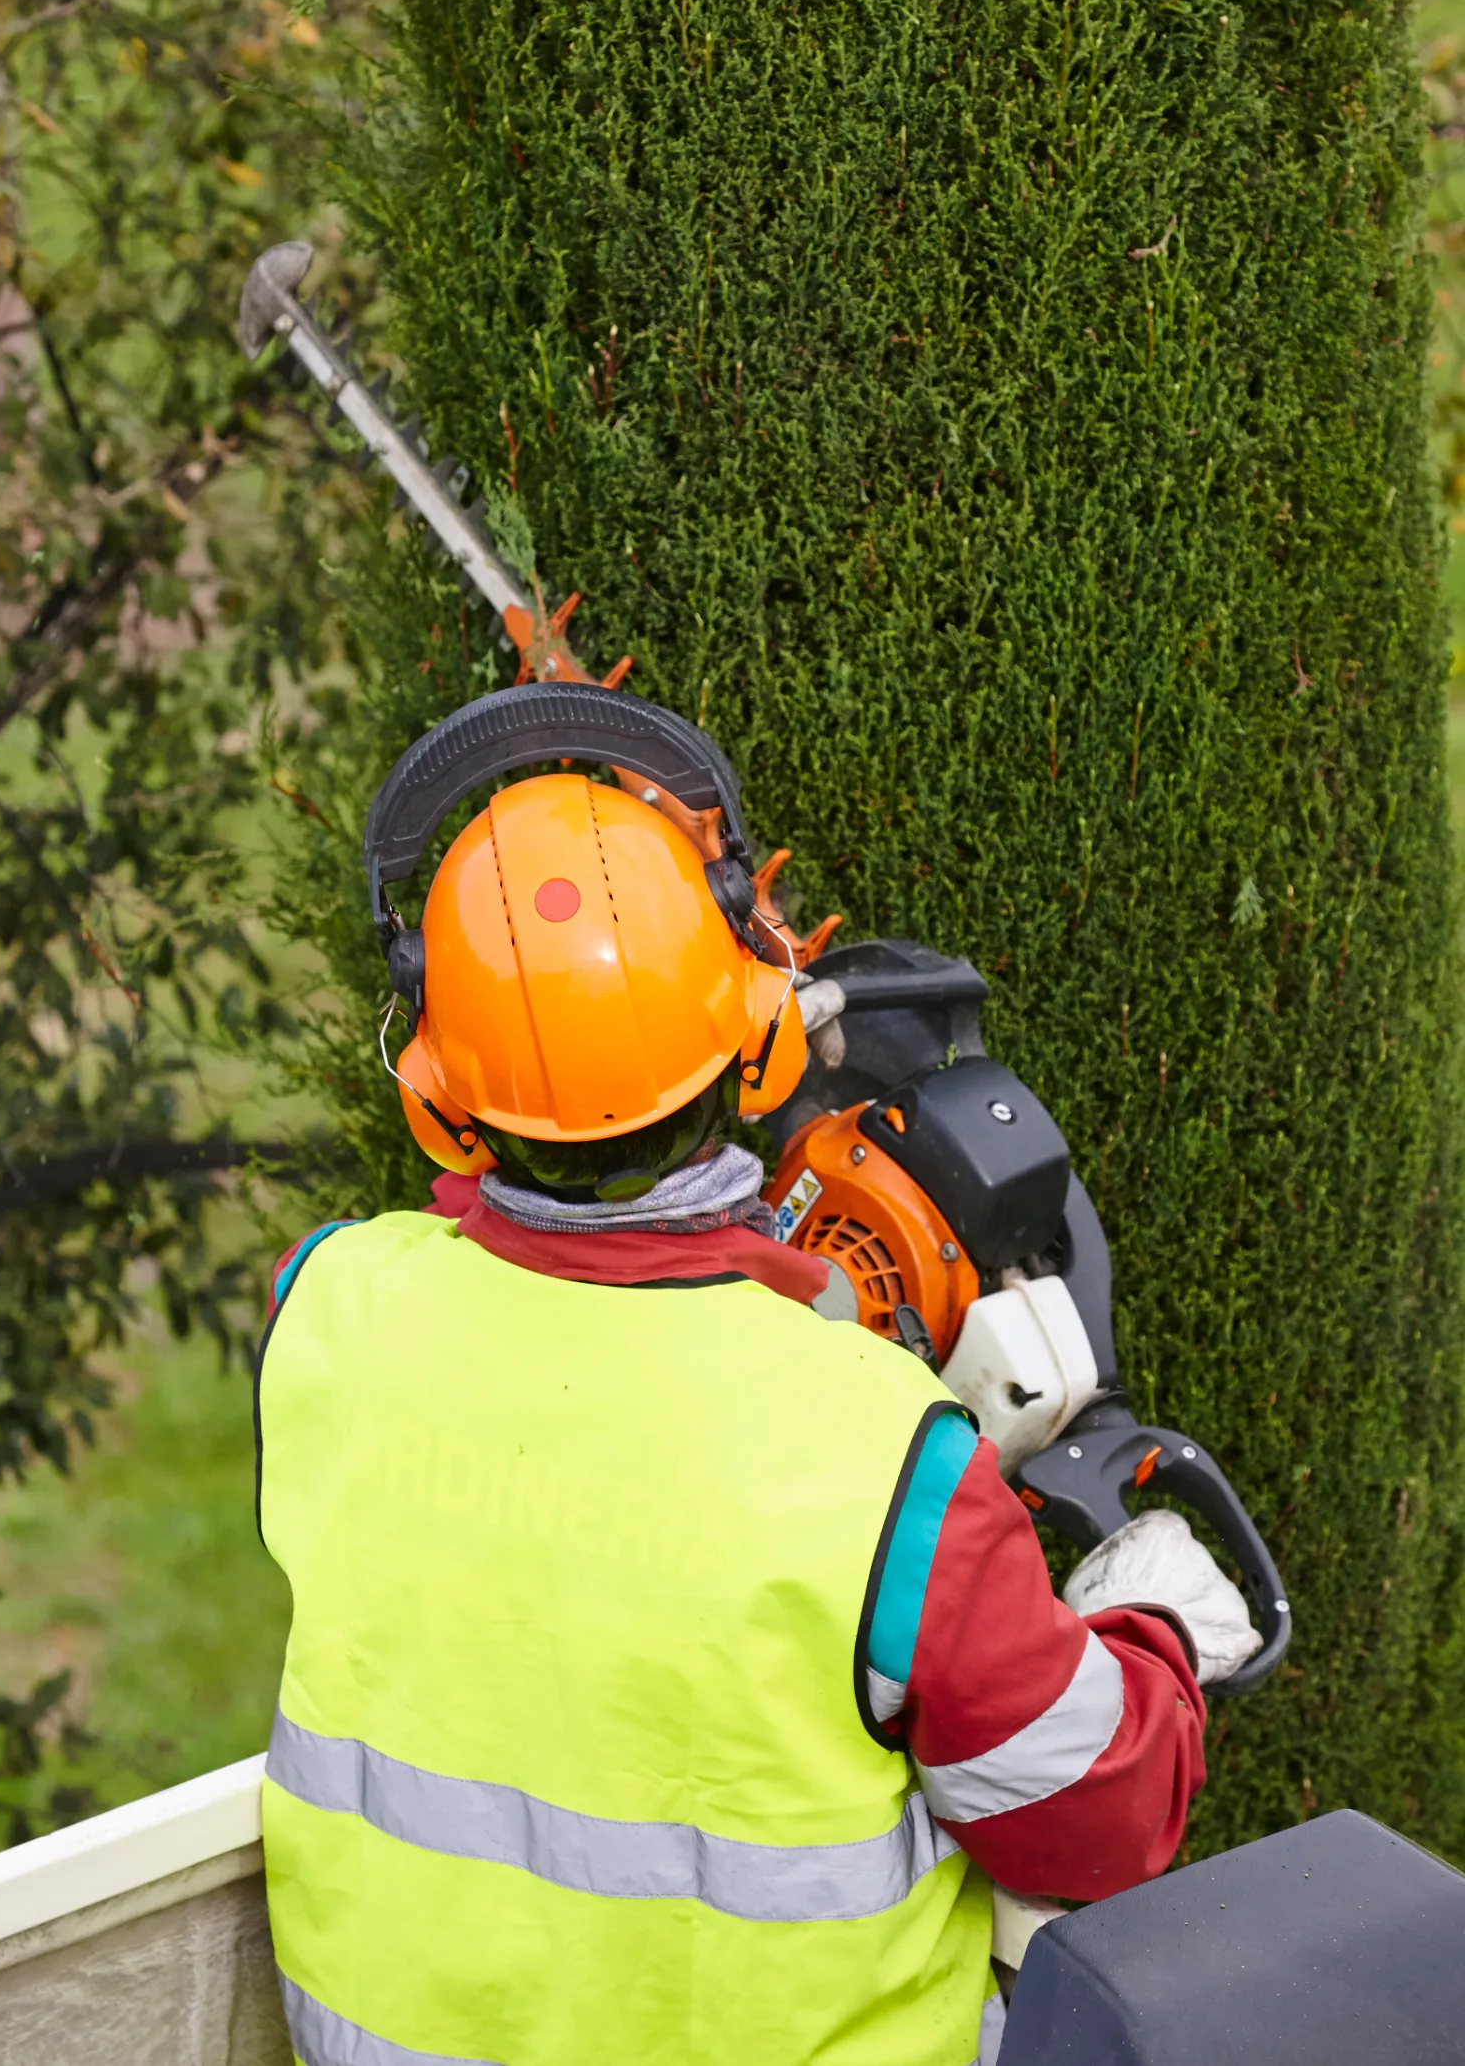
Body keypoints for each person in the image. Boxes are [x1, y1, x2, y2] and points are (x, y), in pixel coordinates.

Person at [255, 691, 1257, 2066]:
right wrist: (1155, 1635)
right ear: (764, 1034)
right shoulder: (881, 1461)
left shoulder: (323, 1309)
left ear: (435, 1084)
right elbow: (1092, 1818)